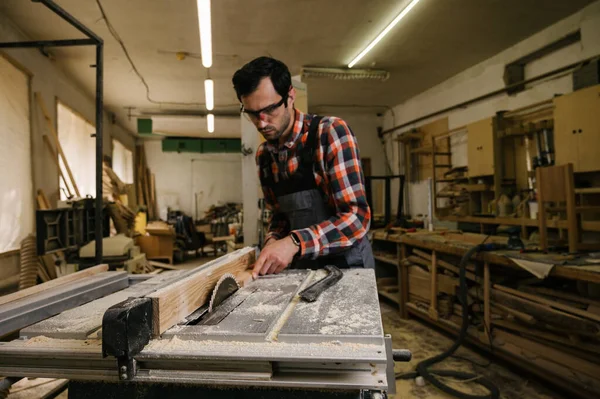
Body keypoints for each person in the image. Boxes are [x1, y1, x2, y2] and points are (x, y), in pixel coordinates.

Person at [232, 56, 375, 279]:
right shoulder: (265, 156)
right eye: (251, 113)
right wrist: (274, 239)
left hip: (349, 268)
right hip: (303, 270)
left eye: (270, 109)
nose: (261, 123)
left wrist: (294, 242)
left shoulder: (330, 133)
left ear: (290, 96)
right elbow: (280, 216)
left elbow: (357, 218)